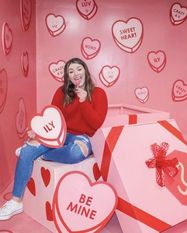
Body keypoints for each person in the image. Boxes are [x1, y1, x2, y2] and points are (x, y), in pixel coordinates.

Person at [0, 57, 108, 220]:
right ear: (68, 76)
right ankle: (16, 201)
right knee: (27, 152)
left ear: (85, 70)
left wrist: (84, 100)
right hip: (59, 134)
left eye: (79, 69)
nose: (75, 73)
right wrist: (38, 133)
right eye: (71, 71)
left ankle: (43, 154)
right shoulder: (61, 92)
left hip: (83, 137)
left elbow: (95, 123)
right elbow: (53, 117)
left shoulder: (99, 94)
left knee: (75, 153)